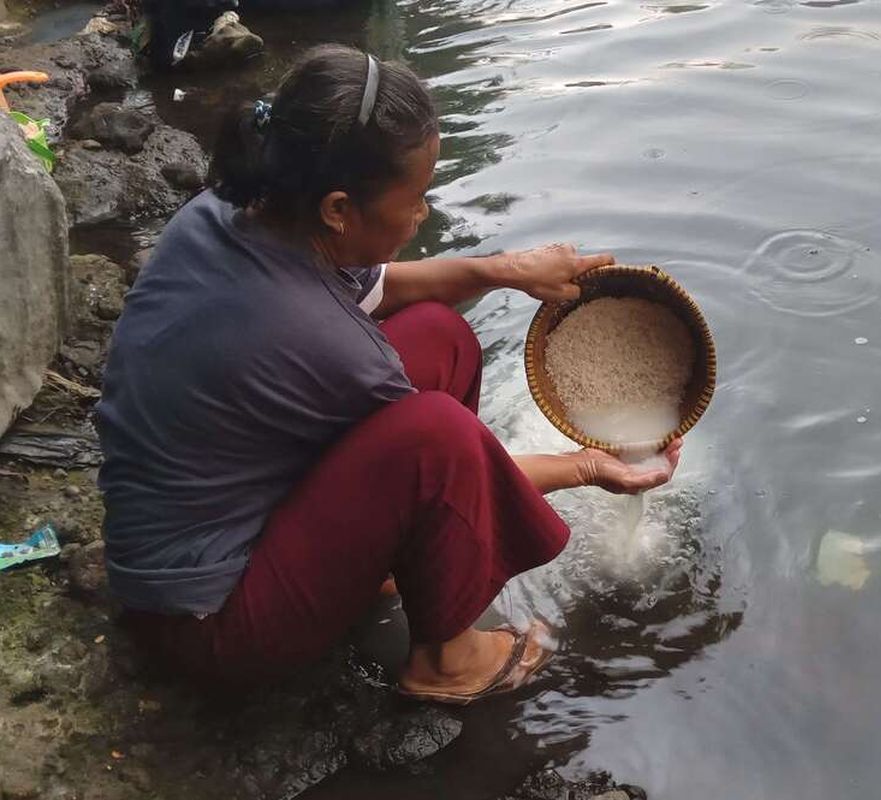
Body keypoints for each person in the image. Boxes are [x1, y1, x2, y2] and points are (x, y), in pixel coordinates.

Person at [98, 44, 682, 703]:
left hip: (187, 537)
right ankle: (444, 659)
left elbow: (385, 289)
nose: (422, 216)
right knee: (437, 434)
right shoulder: (323, 340)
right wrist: (586, 467)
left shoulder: (234, 212)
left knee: (443, 336)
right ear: (339, 210)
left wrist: (502, 270)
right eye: (414, 201)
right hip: (210, 623)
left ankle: (388, 568)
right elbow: (453, 472)